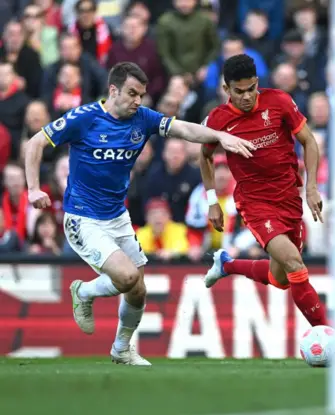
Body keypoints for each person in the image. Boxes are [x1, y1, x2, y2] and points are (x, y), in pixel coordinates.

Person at [23, 61, 254, 365]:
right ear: (113, 89)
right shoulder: (85, 118)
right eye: (132, 93)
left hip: (117, 216)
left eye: (142, 95)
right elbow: (36, 142)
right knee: (127, 276)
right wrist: (34, 188)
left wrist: (218, 136)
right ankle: (85, 292)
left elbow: (181, 128)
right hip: (83, 217)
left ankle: (121, 349)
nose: (137, 101)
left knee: (138, 291)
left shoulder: (142, 118)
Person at [200, 54, 328, 328]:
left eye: (251, 89)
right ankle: (327, 334)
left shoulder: (279, 101)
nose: (246, 97)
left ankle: (227, 265)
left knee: (281, 279)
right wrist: (212, 201)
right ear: (226, 90)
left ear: (257, 82)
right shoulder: (218, 119)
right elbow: (205, 157)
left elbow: (308, 141)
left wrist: (312, 186)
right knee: (295, 264)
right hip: (256, 204)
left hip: (289, 199)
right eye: (239, 91)